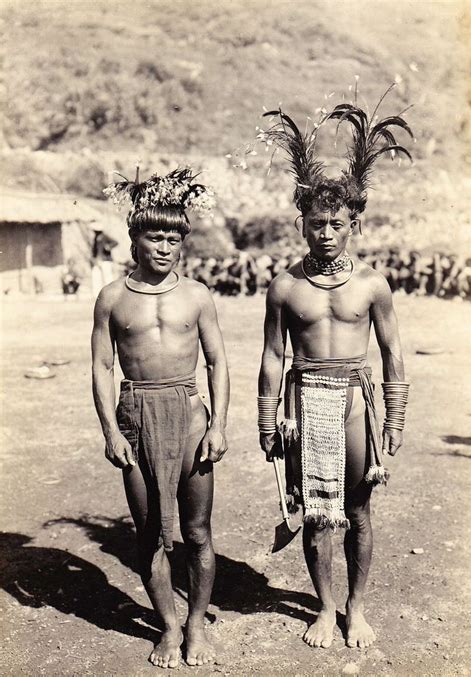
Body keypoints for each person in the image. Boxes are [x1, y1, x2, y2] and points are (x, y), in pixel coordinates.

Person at [257, 88, 412, 650]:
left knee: (359, 508)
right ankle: (324, 608)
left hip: (355, 404)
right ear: (301, 223)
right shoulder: (285, 286)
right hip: (305, 404)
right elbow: (274, 355)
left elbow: (393, 353)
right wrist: (266, 418)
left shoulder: (372, 284)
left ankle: (357, 607)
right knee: (317, 513)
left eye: (336, 222)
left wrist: (394, 419)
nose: (326, 231)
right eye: (316, 221)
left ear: (354, 225)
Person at [92, 167, 229, 668]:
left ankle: (196, 623)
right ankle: (168, 627)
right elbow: (102, 366)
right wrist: (110, 431)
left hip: (190, 412)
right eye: (155, 236)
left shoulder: (196, 295)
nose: (165, 246)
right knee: (149, 533)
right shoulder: (111, 298)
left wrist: (218, 425)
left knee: (197, 532)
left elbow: (217, 361)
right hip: (135, 413)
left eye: (174, 237)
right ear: (135, 238)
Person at [91, 224, 118, 297]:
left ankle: (110, 293)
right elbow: (95, 251)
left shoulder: (105, 237)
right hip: (98, 261)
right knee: (97, 277)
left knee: (108, 277)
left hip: (106, 260)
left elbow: (115, 242)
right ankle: (97, 295)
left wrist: (108, 247)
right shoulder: (96, 238)